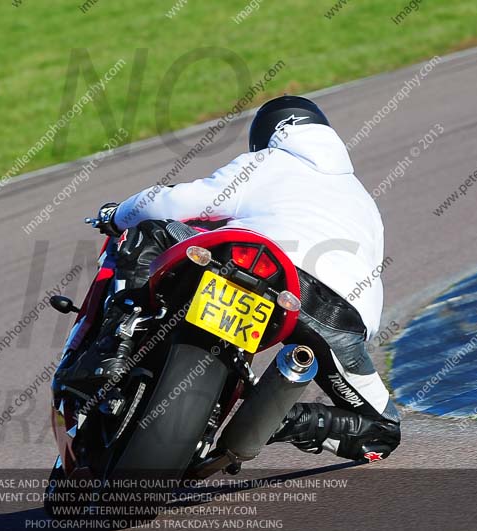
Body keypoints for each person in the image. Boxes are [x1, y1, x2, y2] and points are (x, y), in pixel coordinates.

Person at [60, 96, 401, 463]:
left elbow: (172, 204)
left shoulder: (272, 160)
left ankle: (112, 351)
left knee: (150, 231)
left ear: (270, 136)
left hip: (261, 262)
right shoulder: (366, 202)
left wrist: (116, 215)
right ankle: (275, 418)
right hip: (336, 314)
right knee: (381, 431)